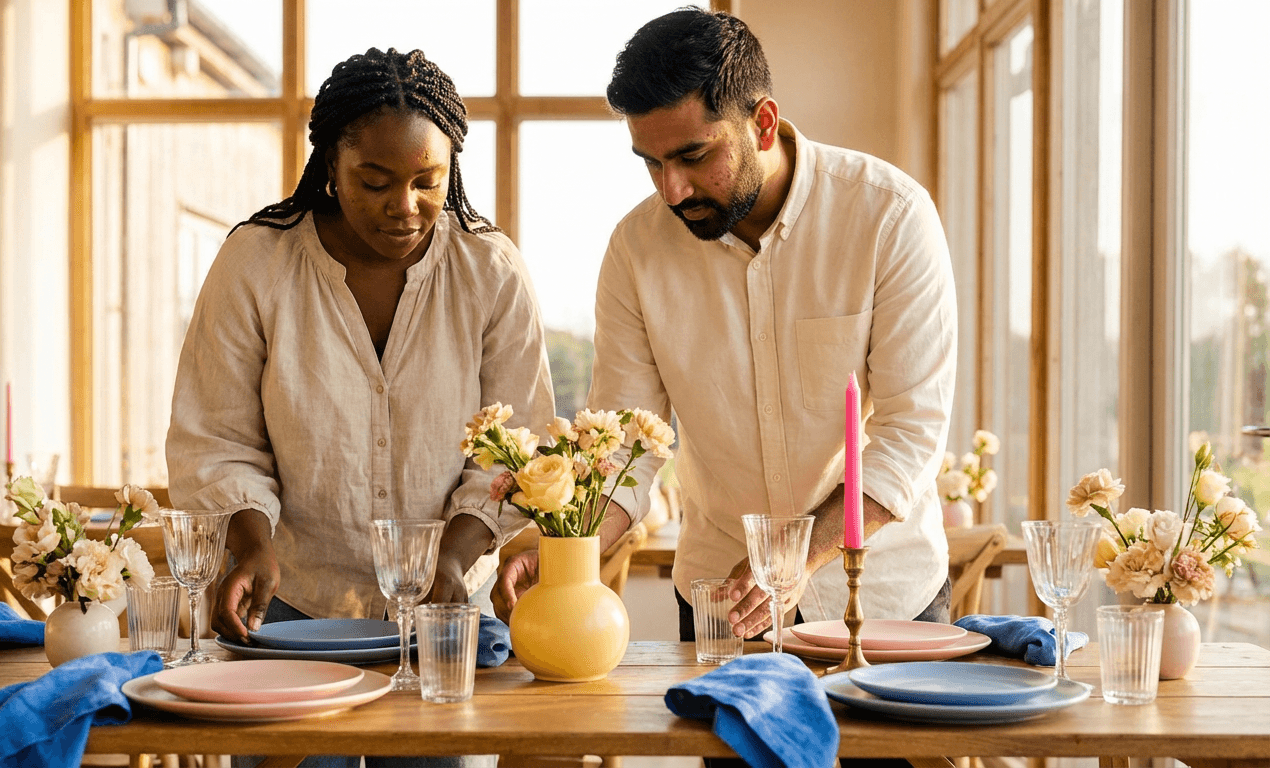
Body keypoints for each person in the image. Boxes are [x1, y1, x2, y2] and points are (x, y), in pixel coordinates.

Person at [495, 8, 956, 645]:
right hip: (720, 607)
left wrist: (792, 558)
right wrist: (565, 549)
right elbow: (629, 444)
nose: (672, 190)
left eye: (692, 156)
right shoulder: (636, 249)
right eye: (651, 163)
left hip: (881, 598)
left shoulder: (889, 216)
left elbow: (910, 434)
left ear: (762, 123)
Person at [167, 46, 552, 768]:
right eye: (373, 182)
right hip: (290, 617)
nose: (403, 208)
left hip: (442, 624)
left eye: (426, 183)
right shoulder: (256, 264)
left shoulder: (490, 271)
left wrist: (458, 552)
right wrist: (251, 544)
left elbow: (517, 443)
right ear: (330, 170)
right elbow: (216, 437)